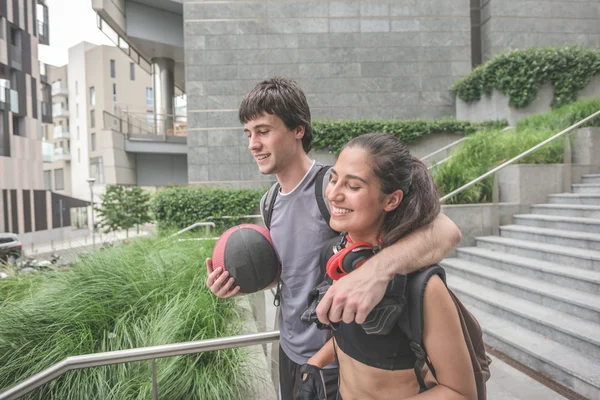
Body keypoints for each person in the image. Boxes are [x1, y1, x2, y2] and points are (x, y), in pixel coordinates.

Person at [205, 77, 463, 400]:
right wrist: (239, 282)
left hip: (341, 356)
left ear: (298, 129)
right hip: (291, 352)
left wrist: (376, 270)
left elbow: (446, 231)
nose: (252, 144)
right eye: (248, 133)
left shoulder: (331, 187)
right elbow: (295, 275)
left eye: (263, 131)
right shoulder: (269, 202)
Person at [306, 133, 477, 400]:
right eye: (333, 179)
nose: (334, 194)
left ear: (391, 200)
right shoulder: (337, 256)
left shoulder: (425, 286)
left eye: (353, 186)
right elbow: (354, 339)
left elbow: (462, 393)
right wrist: (315, 363)